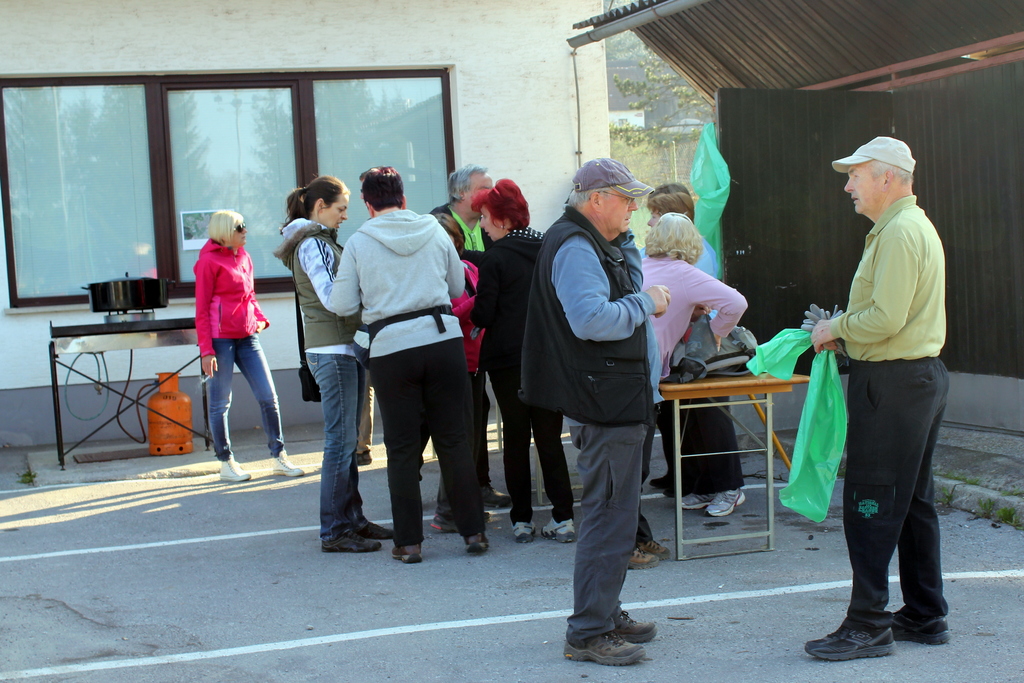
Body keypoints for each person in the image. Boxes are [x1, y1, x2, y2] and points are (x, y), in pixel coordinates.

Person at [805, 137, 949, 660]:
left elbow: (886, 319)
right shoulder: (905, 226)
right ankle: (924, 613)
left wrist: (833, 328)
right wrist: (845, 332)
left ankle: (867, 623)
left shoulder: (899, 232)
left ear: (886, 178)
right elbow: (893, 316)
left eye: (856, 175)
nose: (848, 186)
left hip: (893, 385)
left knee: (871, 502)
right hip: (913, 379)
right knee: (911, 502)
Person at [521, 158, 670, 666]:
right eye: (626, 199)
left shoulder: (592, 242)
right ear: (596, 199)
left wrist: (624, 247)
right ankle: (588, 631)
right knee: (608, 520)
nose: (634, 208)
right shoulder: (577, 246)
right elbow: (591, 320)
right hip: (605, 404)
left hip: (616, 399)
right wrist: (646, 302)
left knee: (616, 519)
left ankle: (604, 613)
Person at [328, 166, 487, 564]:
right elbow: (456, 287)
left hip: (391, 348)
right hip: (442, 340)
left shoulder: (359, 242)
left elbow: (342, 305)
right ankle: (474, 532)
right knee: (454, 439)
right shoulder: (434, 229)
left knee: (401, 447)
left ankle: (409, 543)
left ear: (367, 204)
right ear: (403, 198)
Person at [274, 176, 393, 553]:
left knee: (347, 442)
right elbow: (331, 297)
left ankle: (353, 520)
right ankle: (334, 530)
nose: (344, 216)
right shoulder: (312, 243)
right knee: (340, 442)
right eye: (340, 209)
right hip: (332, 349)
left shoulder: (320, 241)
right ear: (320, 206)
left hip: (342, 346)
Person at [470, 179, 576, 545]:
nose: (482, 225)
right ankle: (563, 516)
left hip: (507, 361)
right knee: (549, 438)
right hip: (550, 356)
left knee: (515, 439)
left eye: (485, 217)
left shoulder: (495, 258)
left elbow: (484, 313)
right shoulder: (549, 247)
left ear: (501, 220)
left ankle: (521, 520)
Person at [642, 213, 749, 519]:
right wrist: (717, 332)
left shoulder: (639, 265)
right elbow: (737, 303)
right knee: (708, 414)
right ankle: (726, 487)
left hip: (644, 364)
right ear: (691, 243)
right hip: (658, 365)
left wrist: (686, 313)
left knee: (692, 418)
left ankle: (708, 485)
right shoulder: (685, 273)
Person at [194, 210, 300, 483]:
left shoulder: (245, 257)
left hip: (248, 337)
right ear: (225, 231)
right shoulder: (207, 262)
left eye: (244, 226)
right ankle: (225, 461)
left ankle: (279, 457)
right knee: (220, 403)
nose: (245, 231)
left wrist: (261, 319)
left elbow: (249, 296)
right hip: (220, 340)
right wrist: (206, 351)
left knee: (268, 397)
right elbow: (202, 310)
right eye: (239, 227)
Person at [431, 164, 510, 509]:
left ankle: (477, 485)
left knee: (478, 409)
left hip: (482, 337)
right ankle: (452, 497)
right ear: (462, 193)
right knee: (449, 420)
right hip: (451, 343)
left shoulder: (489, 221)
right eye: (484, 188)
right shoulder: (437, 224)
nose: (491, 193)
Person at [428, 212, 489, 533]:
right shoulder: (430, 274)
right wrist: (478, 302)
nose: (446, 243)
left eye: (450, 237)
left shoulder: (468, 268)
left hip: (476, 362)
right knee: (458, 440)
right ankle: (447, 511)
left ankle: (461, 506)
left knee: (472, 439)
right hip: (452, 363)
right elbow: (444, 314)